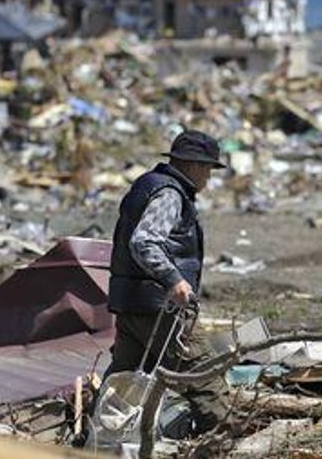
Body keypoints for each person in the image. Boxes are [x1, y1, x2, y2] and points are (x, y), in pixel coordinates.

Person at [105, 129, 227, 435]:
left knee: (120, 383)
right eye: (209, 170)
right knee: (203, 377)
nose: (209, 178)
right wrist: (173, 280)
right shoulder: (170, 194)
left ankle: (94, 439)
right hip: (160, 308)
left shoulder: (147, 184)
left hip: (132, 303)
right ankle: (226, 441)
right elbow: (144, 242)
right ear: (195, 165)